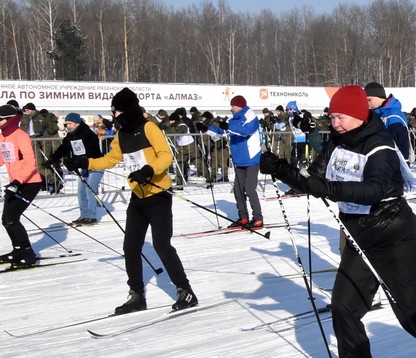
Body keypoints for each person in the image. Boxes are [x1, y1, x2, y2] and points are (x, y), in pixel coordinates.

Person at [258, 85, 416, 358]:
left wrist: (328, 188)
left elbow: (373, 190)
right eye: (332, 117)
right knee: (343, 306)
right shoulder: (335, 143)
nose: (335, 124)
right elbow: (312, 179)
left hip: (395, 237)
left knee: (411, 315)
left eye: (340, 117)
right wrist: (281, 169)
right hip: (361, 238)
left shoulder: (381, 145)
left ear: (359, 115)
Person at [69, 88, 197, 313]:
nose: (115, 114)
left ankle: (185, 291)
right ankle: (137, 295)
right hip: (138, 198)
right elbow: (110, 159)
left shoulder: (149, 127)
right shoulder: (121, 134)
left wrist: (148, 170)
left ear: (127, 109)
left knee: (161, 245)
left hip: (159, 195)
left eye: (117, 110)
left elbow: (166, 155)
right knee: (130, 246)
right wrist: (84, 162)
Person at [205, 96, 264, 230]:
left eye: (233, 106)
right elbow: (223, 131)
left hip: (251, 159)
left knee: (249, 189)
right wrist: (206, 129)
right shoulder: (234, 119)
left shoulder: (251, 116)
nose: (231, 109)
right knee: (238, 190)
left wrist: (229, 126)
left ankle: (258, 218)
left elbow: (246, 131)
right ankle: (243, 217)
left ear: (239, 106)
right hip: (239, 159)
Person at [0, 103, 44, 268]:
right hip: (15, 183)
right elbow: (3, 158)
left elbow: (31, 164)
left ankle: (28, 253)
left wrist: (17, 182)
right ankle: (17, 250)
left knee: (11, 219)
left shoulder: (21, 135)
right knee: (6, 220)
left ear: (9, 120)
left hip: (29, 183)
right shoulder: (3, 135)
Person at [47, 112, 106, 226]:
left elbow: (92, 152)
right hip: (83, 167)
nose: (68, 126)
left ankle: (92, 216)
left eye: (70, 124)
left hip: (96, 165)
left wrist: (77, 162)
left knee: (90, 190)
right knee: (81, 192)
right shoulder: (70, 136)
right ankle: (84, 215)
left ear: (77, 123)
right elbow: (62, 149)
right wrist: (52, 159)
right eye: (67, 124)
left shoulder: (89, 134)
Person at [363, 81, 413, 161]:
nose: (368, 104)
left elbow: (397, 143)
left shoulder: (394, 115)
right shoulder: (377, 114)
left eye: (369, 100)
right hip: (380, 158)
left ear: (378, 96)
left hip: (395, 161)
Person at [286, 100, 314, 165]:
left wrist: (300, 116)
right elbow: (281, 126)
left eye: (290, 109)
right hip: (295, 141)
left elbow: (308, 122)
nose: (289, 111)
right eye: (288, 110)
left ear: (294, 109)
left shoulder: (301, 115)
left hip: (303, 140)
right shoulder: (289, 118)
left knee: (303, 159)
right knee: (294, 160)